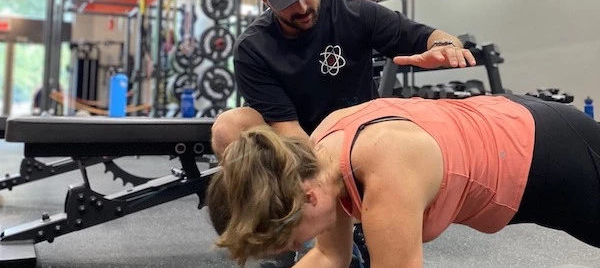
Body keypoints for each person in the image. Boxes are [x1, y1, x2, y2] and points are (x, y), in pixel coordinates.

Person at [206, 93, 600, 267]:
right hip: (507, 123)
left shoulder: (384, 172)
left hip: (549, 155)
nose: (295, 247)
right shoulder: (318, 159)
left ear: (306, 198)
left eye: (291, 241)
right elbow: (330, 255)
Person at [210, 0, 476, 158]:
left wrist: (445, 47)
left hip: (358, 134)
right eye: (287, 1)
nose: (302, 8)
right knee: (229, 127)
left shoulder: (355, 14)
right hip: (291, 146)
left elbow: (434, 37)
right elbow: (286, 129)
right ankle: (272, 213)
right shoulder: (252, 48)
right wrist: (325, 175)